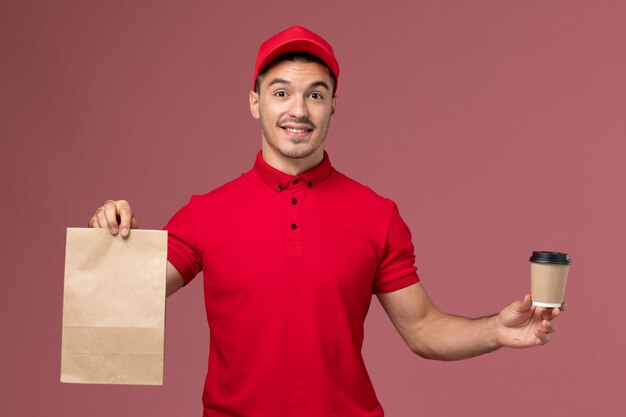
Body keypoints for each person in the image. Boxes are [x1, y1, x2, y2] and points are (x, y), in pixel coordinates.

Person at [88, 26, 562, 417]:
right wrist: (108, 240)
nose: (299, 109)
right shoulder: (206, 213)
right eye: (281, 93)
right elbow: (119, 298)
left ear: (333, 105)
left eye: (316, 94)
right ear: (255, 103)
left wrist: (495, 330)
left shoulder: (377, 214)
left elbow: (423, 329)